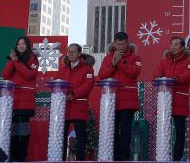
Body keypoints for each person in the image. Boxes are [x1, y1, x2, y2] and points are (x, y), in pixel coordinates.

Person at [98, 32, 142, 161]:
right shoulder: (108, 58)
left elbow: (134, 73)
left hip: (128, 101)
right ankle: (115, 157)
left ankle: (124, 158)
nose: (121, 46)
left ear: (127, 43)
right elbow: (102, 75)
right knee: (112, 130)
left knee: (125, 131)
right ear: (114, 43)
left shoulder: (135, 57)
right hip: (112, 100)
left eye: (123, 44)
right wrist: (113, 64)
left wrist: (120, 62)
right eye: (118, 44)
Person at [153, 37, 190, 161]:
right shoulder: (163, 62)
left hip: (180, 100)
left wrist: (173, 79)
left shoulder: (189, 62)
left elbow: (188, 76)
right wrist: (160, 79)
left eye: (176, 44)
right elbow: (156, 74)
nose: (173, 46)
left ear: (182, 47)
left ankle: (177, 158)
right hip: (165, 100)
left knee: (180, 132)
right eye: (171, 44)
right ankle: (163, 156)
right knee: (163, 130)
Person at [1, 36, 38, 161]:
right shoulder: (13, 59)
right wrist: (12, 61)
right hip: (12, 101)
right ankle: (13, 157)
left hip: (25, 101)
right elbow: (5, 75)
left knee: (22, 130)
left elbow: (28, 75)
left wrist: (16, 62)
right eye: (18, 44)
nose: (21, 46)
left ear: (27, 45)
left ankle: (21, 158)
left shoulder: (33, 59)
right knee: (13, 130)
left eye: (23, 44)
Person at [57, 43, 94, 161]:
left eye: (73, 52)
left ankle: (80, 160)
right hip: (65, 106)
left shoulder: (87, 68)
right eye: (69, 52)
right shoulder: (64, 68)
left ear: (79, 53)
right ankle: (60, 159)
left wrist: (73, 94)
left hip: (79, 105)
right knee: (61, 136)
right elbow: (58, 82)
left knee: (80, 136)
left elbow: (87, 85)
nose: (70, 54)